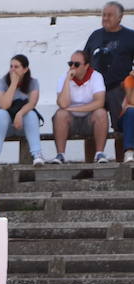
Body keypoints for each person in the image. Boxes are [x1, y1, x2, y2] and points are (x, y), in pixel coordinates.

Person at [84, 1, 134, 154]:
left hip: (118, 89)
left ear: (120, 17)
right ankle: (89, 168)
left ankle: (122, 167)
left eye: (110, 15)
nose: (105, 18)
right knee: (91, 127)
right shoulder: (95, 35)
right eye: (103, 15)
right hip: (95, 89)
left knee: (120, 128)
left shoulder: (130, 36)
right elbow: (85, 59)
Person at [53, 50, 110, 163]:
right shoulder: (64, 77)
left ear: (86, 66)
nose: (73, 67)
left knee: (101, 113)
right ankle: (60, 155)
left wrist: (73, 108)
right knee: (60, 114)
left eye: (77, 64)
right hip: (70, 121)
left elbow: (99, 102)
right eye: (70, 64)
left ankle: (99, 154)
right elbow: (63, 104)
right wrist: (67, 81)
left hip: (89, 119)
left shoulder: (96, 76)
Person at [0, 54, 43, 165]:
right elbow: (4, 105)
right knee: (1, 113)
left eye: (16, 67)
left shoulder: (33, 82)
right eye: (11, 66)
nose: (12, 69)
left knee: (31, 114)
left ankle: (37, 155)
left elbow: (32, 103)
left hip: (22, 125)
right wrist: (13, 84)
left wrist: (20, 114)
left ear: (25, 69)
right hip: (3, 127)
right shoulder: (2, 82)